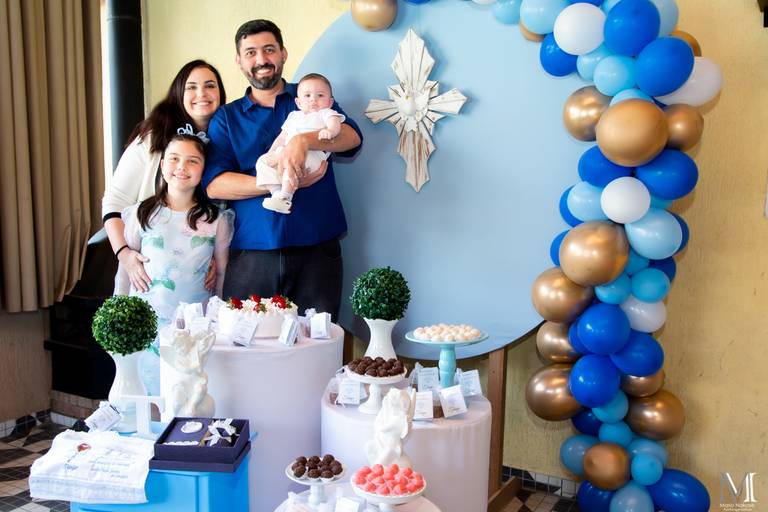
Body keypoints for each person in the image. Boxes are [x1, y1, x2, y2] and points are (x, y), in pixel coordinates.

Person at [203, 19, 363, 320]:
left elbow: (352, 138)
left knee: (317, 348)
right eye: (250, 53)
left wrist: (304, 141)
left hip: (317, 246)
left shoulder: (310, 97)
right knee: (248, 350)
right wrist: (279, 182)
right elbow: (215, 185)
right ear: (239, 61)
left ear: (283, 53)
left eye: (268, 50)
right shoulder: (226, 118)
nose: (261, 60)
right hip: (253, 251)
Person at [116, 134, 233, 395]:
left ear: (204, 170)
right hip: (148, 322)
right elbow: (126, 266)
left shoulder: (215, 219)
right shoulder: (141, 213)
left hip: (194, 326)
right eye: (174, 159)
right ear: (162, 165)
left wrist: (219, 318)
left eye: (193, 161)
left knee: (189, 392)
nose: (182, 167)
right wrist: (118, 310)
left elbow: (222, 271)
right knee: (149, 391)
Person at [102, 60, 226, 294]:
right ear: (179, 93)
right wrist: (125, 254)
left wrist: (215, 258)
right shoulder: (153, 137)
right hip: (151, 271)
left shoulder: (225, 140)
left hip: (197, 278)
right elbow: (114, 201)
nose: (202, 93)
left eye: (210, 85)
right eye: (191, 87)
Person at [256, 73, 344, 214]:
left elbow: (335, 126)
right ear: (298, 102)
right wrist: (272, 151)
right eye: (307, 96)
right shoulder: (293, 116)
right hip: (285, 152)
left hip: (313, 154)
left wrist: (330, 131)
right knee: (262, 162)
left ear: (330, 101)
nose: (313, 100)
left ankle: (286, 196)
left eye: (320, 95)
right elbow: (282, 137)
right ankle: (277, 193)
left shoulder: (327, 113)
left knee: (291, 165)